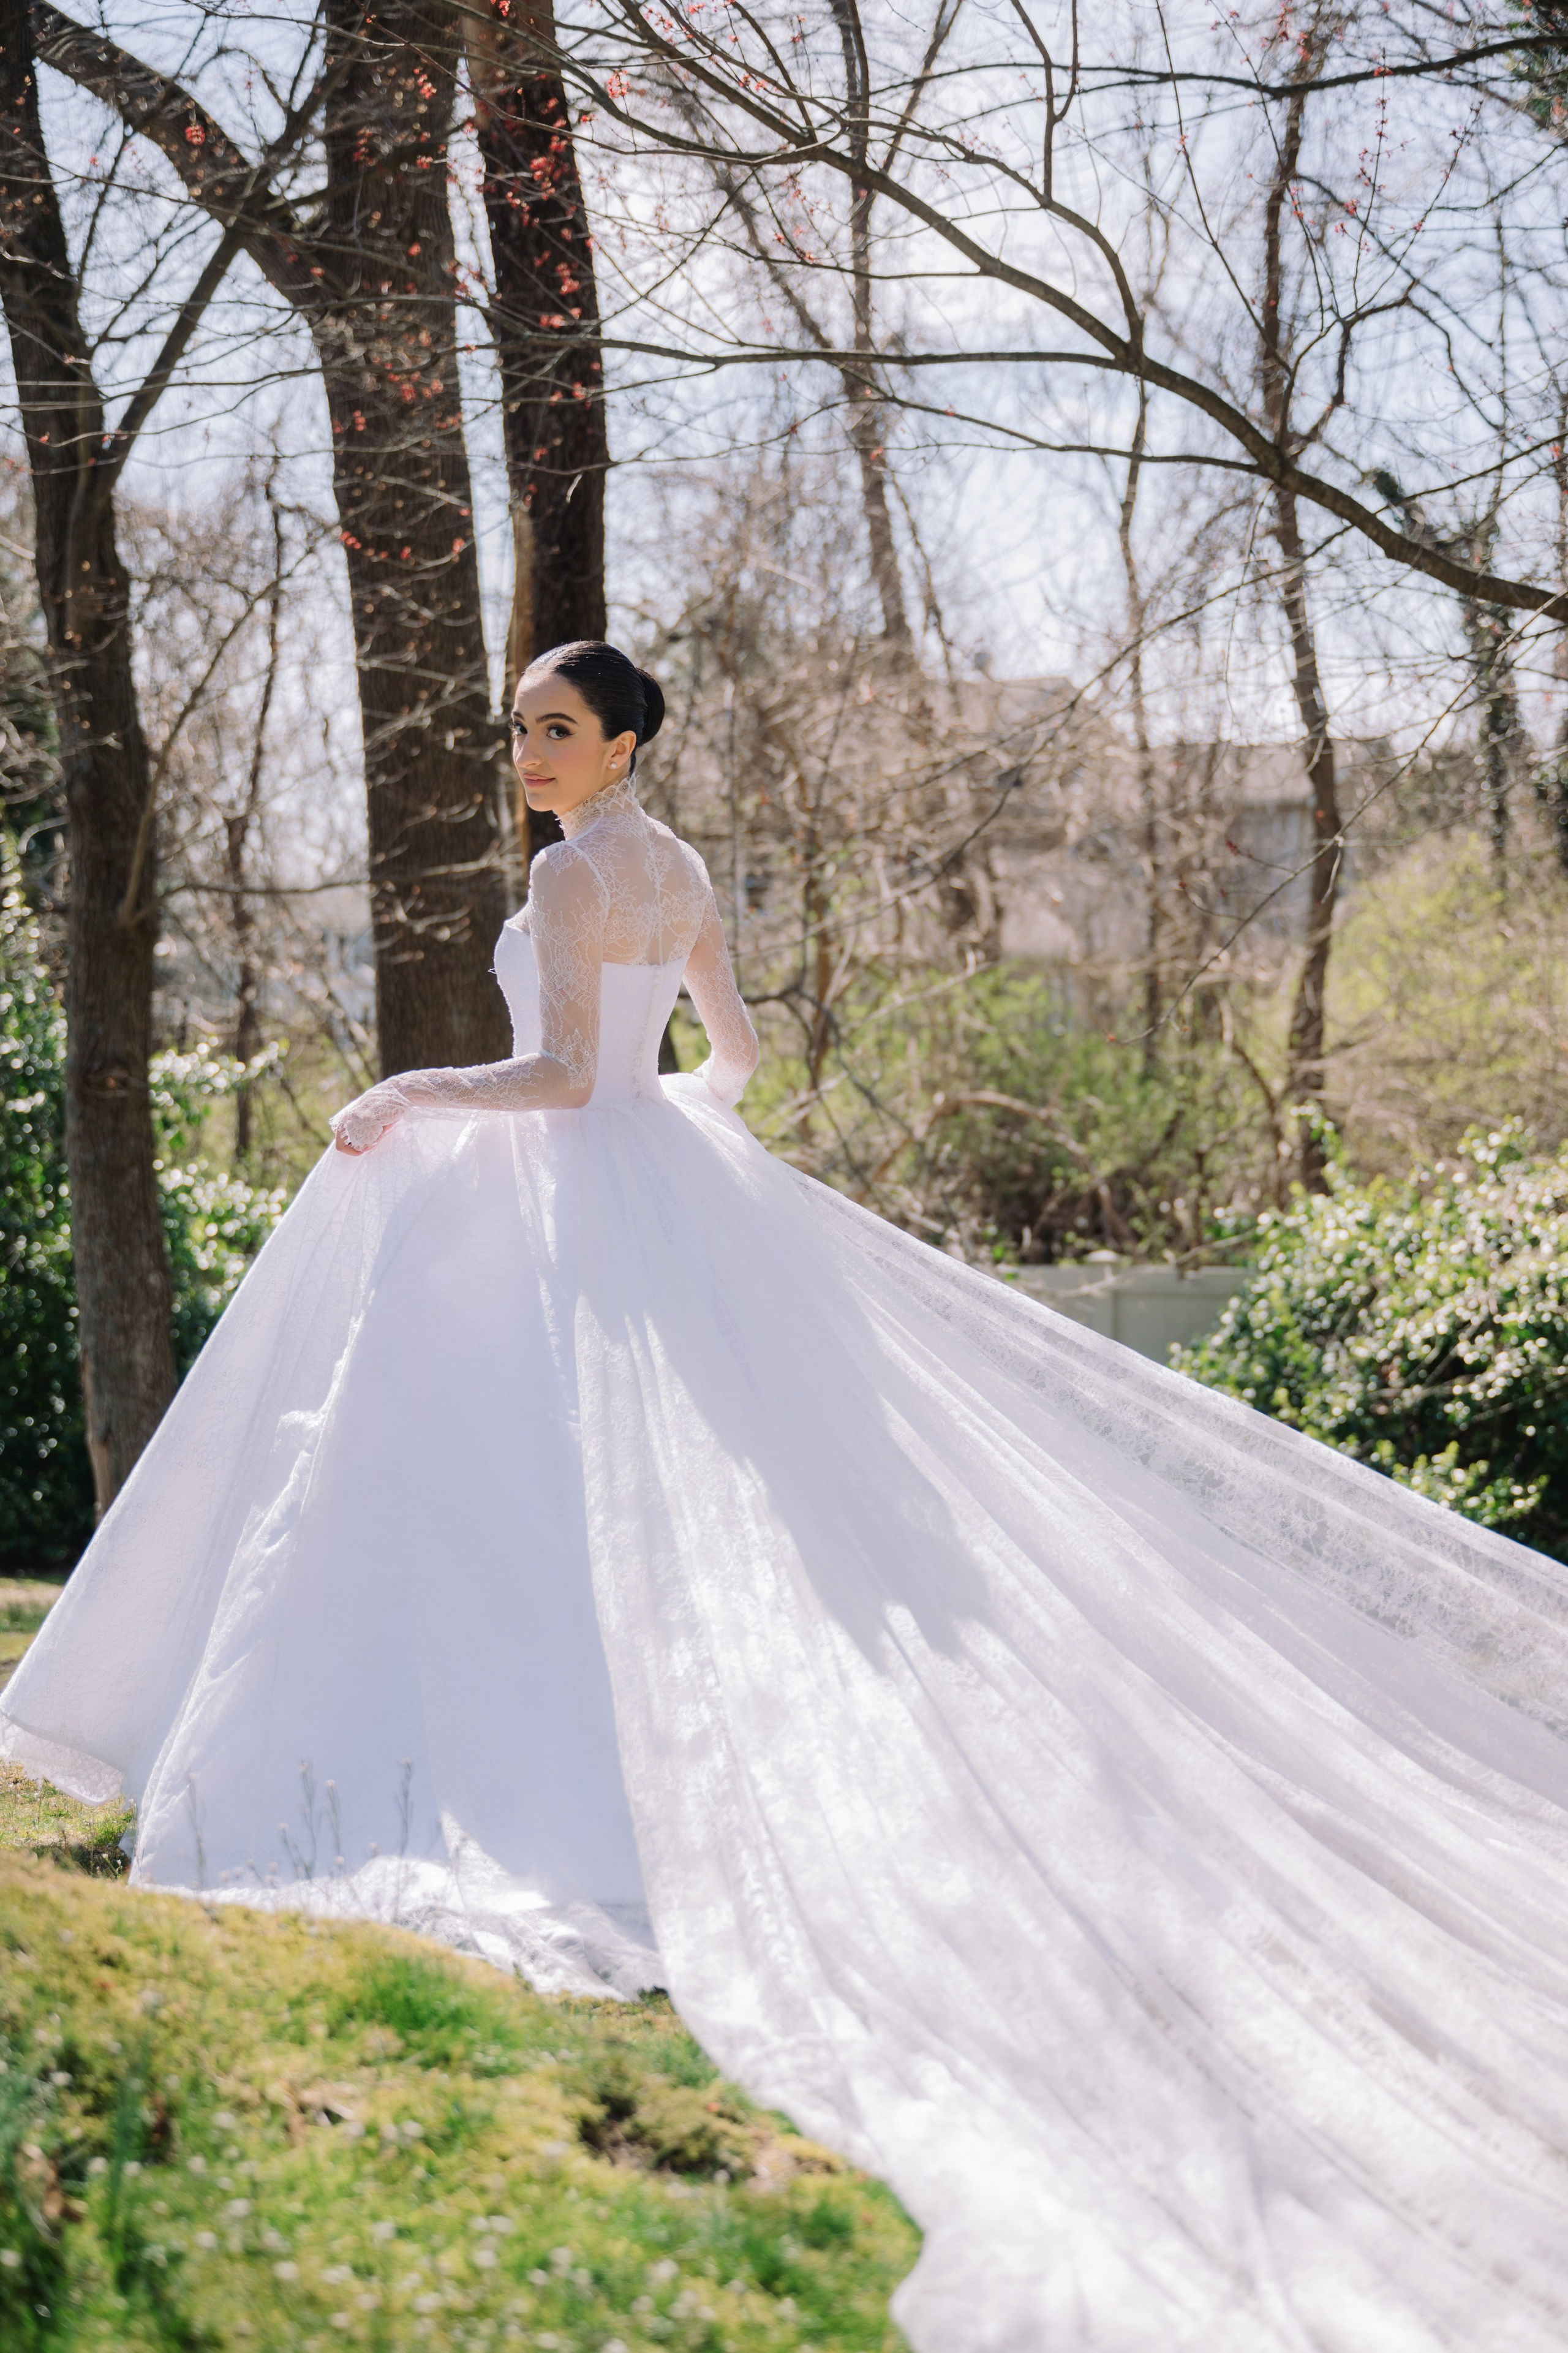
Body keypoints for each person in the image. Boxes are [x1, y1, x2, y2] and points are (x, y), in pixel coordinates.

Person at [7, 639, 1568, 2352]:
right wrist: (670, 1134)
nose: (529, 750)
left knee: (513, 1497)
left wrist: (409, 1092)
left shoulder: (577, 867)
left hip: (566, 1194)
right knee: (608, 1511)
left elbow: (547, 1081)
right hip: (654, 1185)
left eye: (558, 729)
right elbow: (734, 1054)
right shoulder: (674, 870)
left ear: (622, 743)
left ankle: (494, 1785)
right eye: (521, 727)